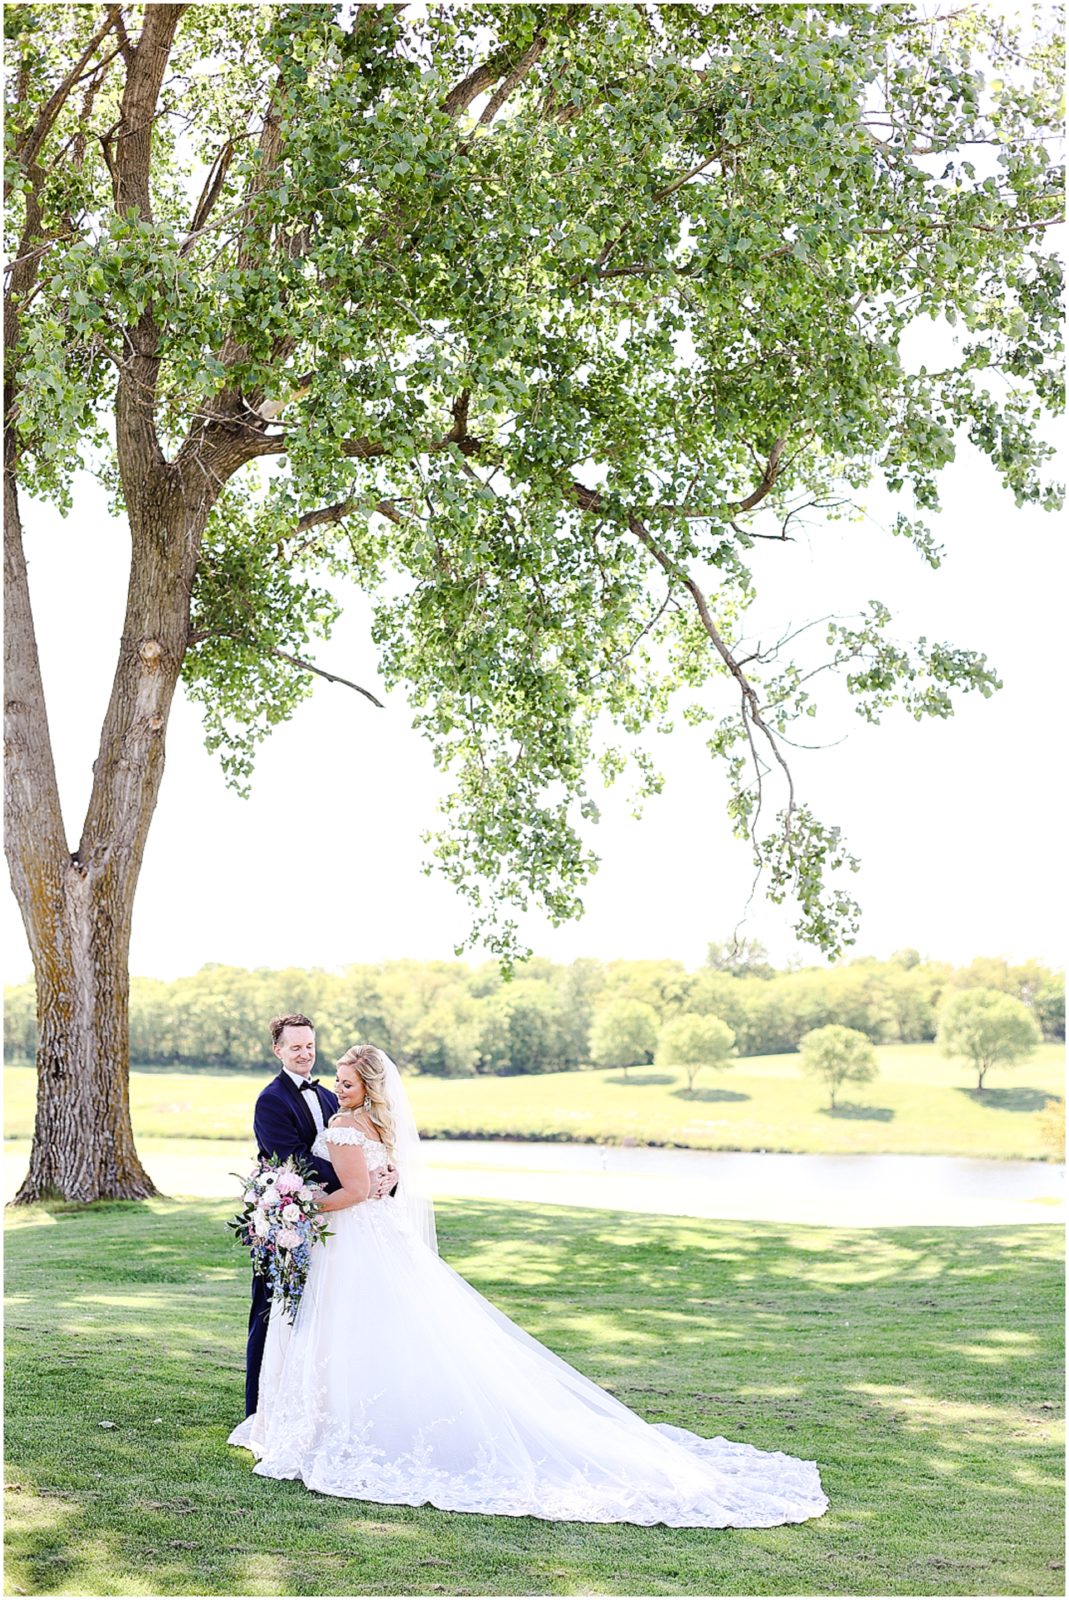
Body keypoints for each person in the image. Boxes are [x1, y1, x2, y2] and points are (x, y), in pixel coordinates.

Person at [230, 1044, 828, 1527]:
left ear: (368, 1087)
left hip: (358, 1240)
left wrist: (300, 1203)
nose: (339, 1087)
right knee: (389, 1331)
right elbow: (384, 1183)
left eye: (348, 1080)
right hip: (377, 1239)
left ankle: (348, 1424)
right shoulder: (374, 1125)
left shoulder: (343, 1125)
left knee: (360, 1329)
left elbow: (355, 1193)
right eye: (337, 1078)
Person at [243, 1015, 397, 1418]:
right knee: (273, 1311)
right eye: (295, 1047)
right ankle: (260, 1408)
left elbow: (364, 1148)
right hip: (288, 1221)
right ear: (278, 1050)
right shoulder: (271, 1101)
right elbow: (294, 1160)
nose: (305, 1053)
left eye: (309, 1045)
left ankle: (323, 1404)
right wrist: (362, 1181)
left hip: (337, 1224)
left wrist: (387, 1177)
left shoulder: (334, 1095)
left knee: (328, 1317)